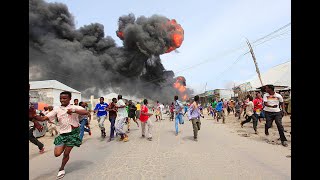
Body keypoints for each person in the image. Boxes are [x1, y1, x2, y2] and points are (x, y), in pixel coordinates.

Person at [34, 91, 89, 179]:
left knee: (66, 153)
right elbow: (44, 118)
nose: (62, 100)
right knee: (57, 153)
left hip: (73, 133)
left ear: (70, 99)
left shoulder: (74, 107)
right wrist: (33, 116)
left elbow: (86, 112)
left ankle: (62, 168)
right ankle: (64, 146)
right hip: (63, 134)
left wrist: (73, 110)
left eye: (64, 98)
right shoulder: (57, 109)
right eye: (61, 98)